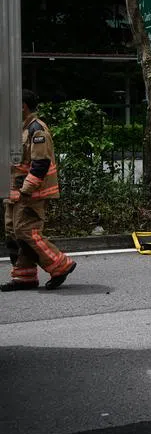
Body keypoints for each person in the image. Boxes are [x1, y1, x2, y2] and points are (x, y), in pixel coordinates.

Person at [3, 90, 76, 291]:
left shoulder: (37, 130)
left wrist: (25, 190)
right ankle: (24, 276)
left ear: (22, 106)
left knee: (27, 231)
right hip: (14, 192)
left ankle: (60, 265)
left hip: (30, 194)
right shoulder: (20, 129)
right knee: (14, 233)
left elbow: (40, 164)